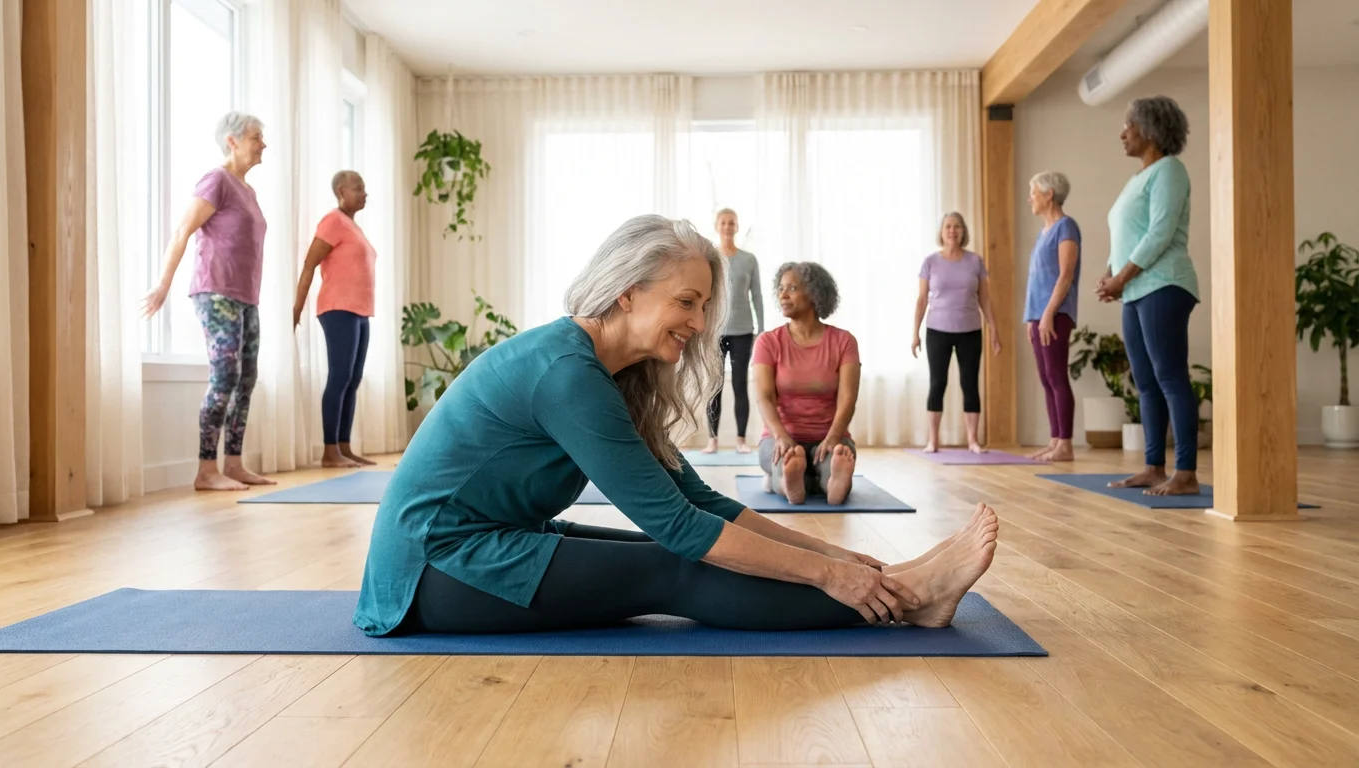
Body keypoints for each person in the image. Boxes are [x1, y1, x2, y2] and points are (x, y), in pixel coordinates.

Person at [353, 214, 999, 637]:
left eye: (703, 305)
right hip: (434, 570)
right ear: (627, 292)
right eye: (685, 302)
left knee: (662, 549)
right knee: (673, 567)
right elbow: (682, 529)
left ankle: (896, 582)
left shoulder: (608, 373)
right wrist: (829, 576)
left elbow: (699, 499)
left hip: (481, 542)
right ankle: (908, 597)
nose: (697, 324)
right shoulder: (567, 374)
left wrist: (836, 554)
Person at [140, 111, 275, 491]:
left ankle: (233, 463)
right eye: (255, 136)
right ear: (232, 141)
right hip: (215, 292)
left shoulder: (247, 190)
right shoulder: (216, 180)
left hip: (247, 296)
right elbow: (183, 231)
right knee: (224, 378)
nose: (263, 143)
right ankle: (205, 470)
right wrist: (163, 286)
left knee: (246, 379)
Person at [1097, 96, 1200, 496]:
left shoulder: (1169, 170)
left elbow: (1159, 231)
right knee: (1144, 381)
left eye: (1129, 125)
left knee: (1170, 376)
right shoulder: (1136, 179)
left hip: (1165, 284)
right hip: (1135, 289)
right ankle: (1154, 467)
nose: (1123, 132)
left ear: (1151, 130)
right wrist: (1111, 275)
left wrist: (1121, 277)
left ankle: (1186, 473)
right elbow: (1126, 234)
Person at [754, 262, 859, 506]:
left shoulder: (844, 341)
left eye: (792, 288)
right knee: (787, 463)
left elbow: (848, 399)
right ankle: (792, 483)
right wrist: (780, 436)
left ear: (813, 292)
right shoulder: (768, 342)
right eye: (780, 288)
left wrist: (833, 438)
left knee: (832, 468)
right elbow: (764, 397)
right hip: (781, 437)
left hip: (829, 436)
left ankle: (832, 485)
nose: (783, 294)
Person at [293, 171, 378, 469]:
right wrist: (296, 309)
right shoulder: (332, 221)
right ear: (341, 191)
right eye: (358, 188)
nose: (365, 193)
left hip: (359, 311)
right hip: (337, 308)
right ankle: (330, 451)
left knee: (352, 380)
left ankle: (343, 446)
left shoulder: (352, 226)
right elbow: (308, 266)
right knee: (339, 377)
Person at [911, 212, 1003, 453]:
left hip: (970, 330)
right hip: (937, 330)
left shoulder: (975, 261)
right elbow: (921, 300)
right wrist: (915, 333)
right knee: (937, 383)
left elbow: (985, 298)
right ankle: (933, 440)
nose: (952, 230)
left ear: (963, 232)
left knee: (969, 383)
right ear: (941, 232)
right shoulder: (930, 262)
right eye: (948, 226)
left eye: (957, 227)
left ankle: (973, 440)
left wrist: (994, 329)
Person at [1024, 172, 1082, 462]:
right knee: (1046, 378)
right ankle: (1055, 440)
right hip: (1038, 315)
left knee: (1057, 376)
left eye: (1033, 192)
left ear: (1049, 194)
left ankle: (1066, 444)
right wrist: (1030, 318)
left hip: (1055, 313)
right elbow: (1036, 279)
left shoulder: (1066, 227)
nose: (1030, 198)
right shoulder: (1042, 232)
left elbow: (1065, 275)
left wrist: (1047, 314)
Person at [703, 208, 764, 455]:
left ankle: (740, 439)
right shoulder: (709, 258)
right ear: (717, 226)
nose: (728, 226)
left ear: (737, 227)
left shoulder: (749, 260)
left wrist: (762, 328)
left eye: (732, 223)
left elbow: (756, 295)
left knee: (740, 384)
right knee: (714, 385)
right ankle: (712, 440)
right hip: (714, 331)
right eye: (724, 222)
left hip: (743, 331)